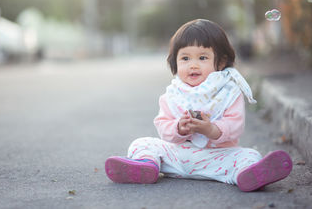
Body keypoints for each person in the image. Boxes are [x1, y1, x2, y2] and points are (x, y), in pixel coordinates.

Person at [105, 19, 292, 191]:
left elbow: (235, 126)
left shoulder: (228, 92)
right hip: (176, 157)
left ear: (221, 62)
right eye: (185, 59)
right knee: (141, 143)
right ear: (175, 63)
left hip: (217, 157)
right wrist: (179, 127)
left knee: (249, 155)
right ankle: (147, 167)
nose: (193, 65)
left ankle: (248, 175)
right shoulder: (172, 94)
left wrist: (211, 129)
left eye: (202, 58)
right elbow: (163, 127)